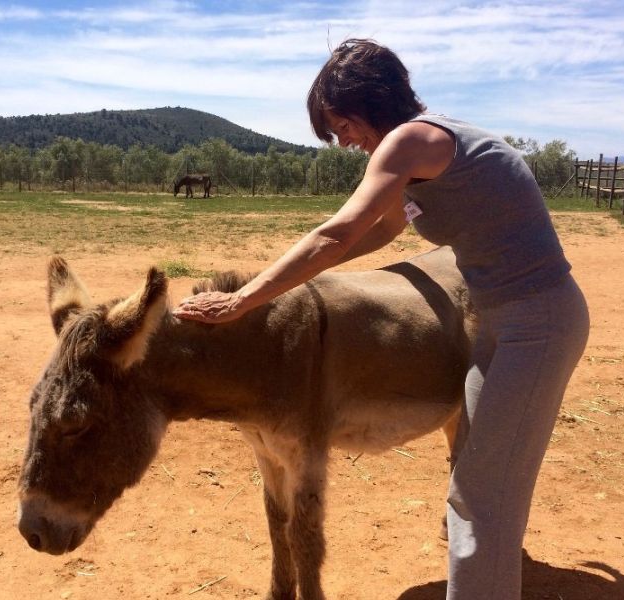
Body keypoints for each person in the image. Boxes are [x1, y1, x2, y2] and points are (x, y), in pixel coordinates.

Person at [173, 38, 589, 599]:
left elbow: (335, 232)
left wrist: (245, 299)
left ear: (368, 102)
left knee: (481, 493)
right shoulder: (420, 150)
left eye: (340, 124)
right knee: (477, 473)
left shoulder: (410, 140)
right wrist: (295, 283)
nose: (343, 140)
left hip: (536, 319)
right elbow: (379, 231)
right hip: (502, 317)